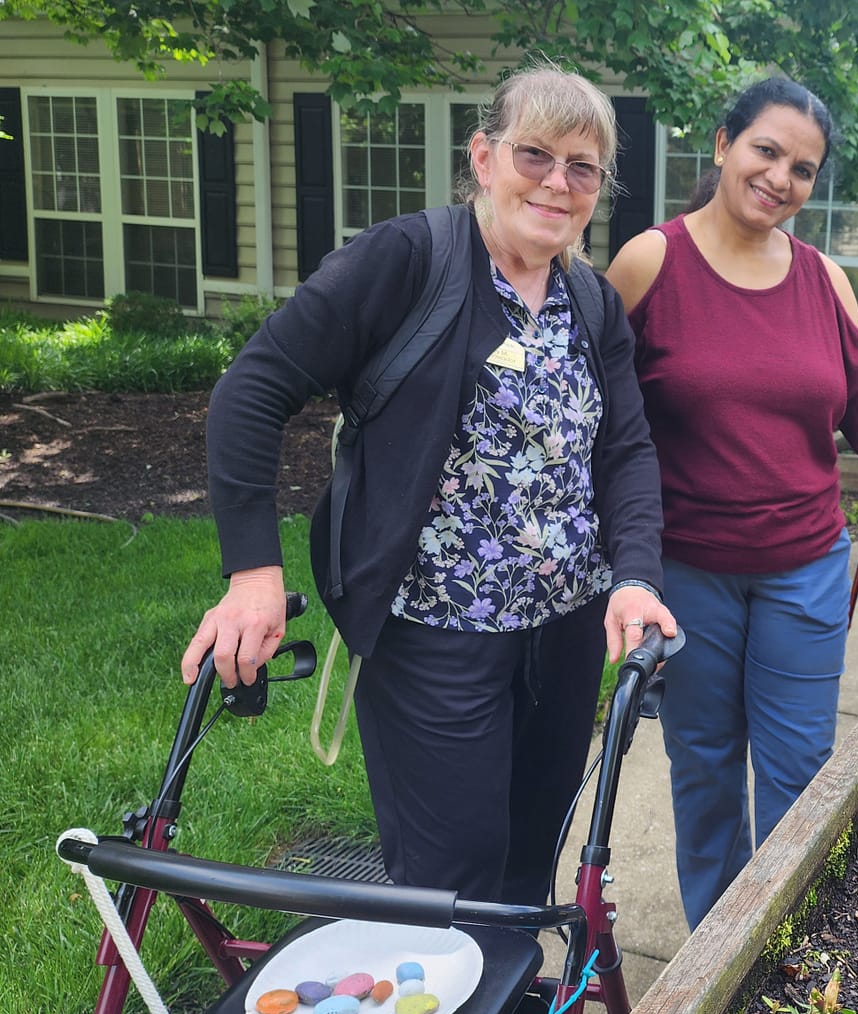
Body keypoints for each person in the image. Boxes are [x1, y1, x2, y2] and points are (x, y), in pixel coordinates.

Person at [180, 63, 676, 906]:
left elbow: (624, 449)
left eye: (583, 167)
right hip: (433, 636)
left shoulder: (588, 301)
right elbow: (252, 390)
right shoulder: (407, 260)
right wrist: (252, 572)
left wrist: (634, 577)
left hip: (559, 637)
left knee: (528, 864)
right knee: (449, 880)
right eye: (534, 155)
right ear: (482, 159)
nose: (557, 183)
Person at [605, 76, 858, 929]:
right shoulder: (651, 262)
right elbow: (606, 428)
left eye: (802, 168)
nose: (780, 178)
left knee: (799, 772)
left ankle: (782, 942)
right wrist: (621, 564)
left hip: (804, 569)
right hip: (688, 573)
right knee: (705, 768)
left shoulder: (821, 279)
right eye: (766, 151)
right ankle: (712, 954)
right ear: (722, 144)